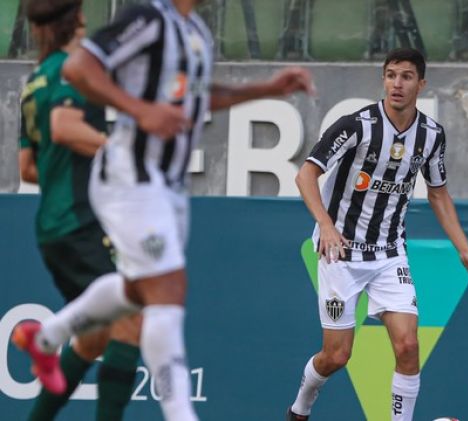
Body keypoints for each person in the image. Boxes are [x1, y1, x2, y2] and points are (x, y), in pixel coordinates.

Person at [12, 0, 315, 420]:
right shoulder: (148, 17)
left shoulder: (197, 34)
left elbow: (199, 96)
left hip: (165, 186)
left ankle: (48, 336)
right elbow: (79, 69)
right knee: (167, 290)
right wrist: (140, 111)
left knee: (136, 291)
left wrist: (265, 89)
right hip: (128, 177)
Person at [286, 48, 468, 421]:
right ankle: (300, 406)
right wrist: (327, 226)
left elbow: (438, 192)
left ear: (421, 84)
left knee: (408, 344)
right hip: (340, 253)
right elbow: (306, 175)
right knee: (337, 356)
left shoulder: (431, 136)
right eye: (391, 75)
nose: (397, 83)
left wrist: (463, 249)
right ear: (383, 79)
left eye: (407, 76)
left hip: (388, 255)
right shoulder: (356, 125)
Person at [15, 1, 142, 419]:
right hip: (79, 221)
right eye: (85, 24)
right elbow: (64, 129)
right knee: (131, 317)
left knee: (94, 338)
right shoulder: (71, 69)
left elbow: (29, 168)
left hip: (54, 225)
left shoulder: (36, 82)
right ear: (74, 24)